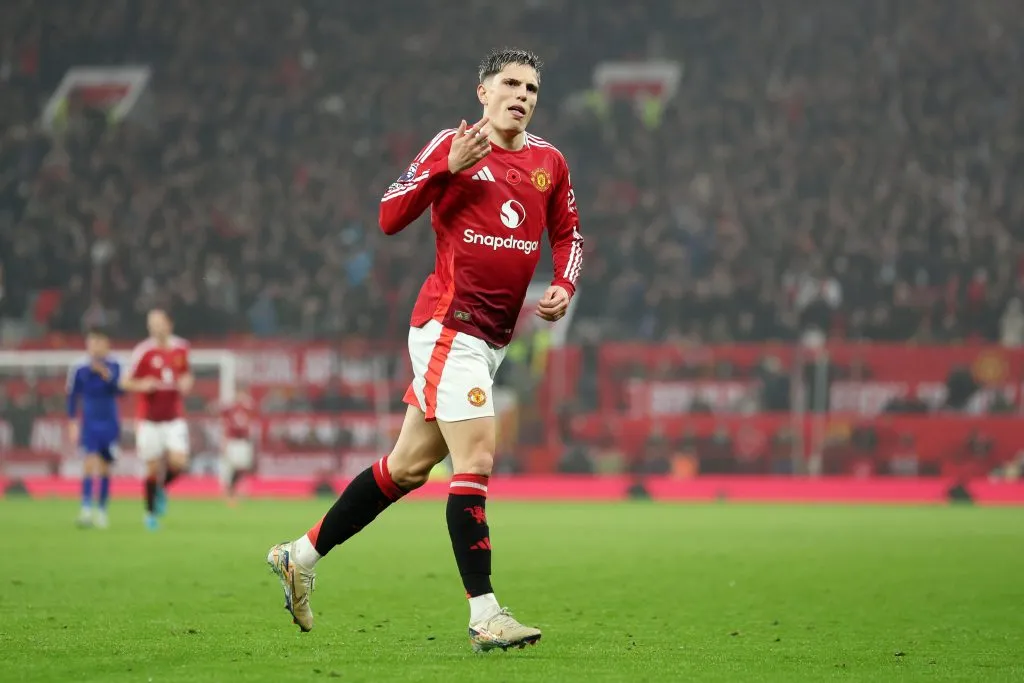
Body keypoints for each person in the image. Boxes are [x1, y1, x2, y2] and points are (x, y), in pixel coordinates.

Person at [267, 47, 583, 652]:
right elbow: (389, 217)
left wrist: (564, 283)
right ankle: (485, 614)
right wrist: (447, 169)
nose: (523, 95)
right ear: (482, 92)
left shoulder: (550, 161)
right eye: (510, 84)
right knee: (478, 461)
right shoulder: (452, 144)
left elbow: (569, 232)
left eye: (533, 87)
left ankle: (299, 555)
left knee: (408, 467)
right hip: (448, 326)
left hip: (492, 339)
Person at [124, 309, 194, 530]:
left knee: (179, 462)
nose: (154, 327)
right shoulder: (143, 351)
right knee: (152, 467)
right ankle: (150, 514)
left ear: (169, 324)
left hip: (173, 417)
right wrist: (142, 385)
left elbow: (186, 373)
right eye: (151, 323)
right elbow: (126, 382)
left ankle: (161, 490)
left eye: (158, 322)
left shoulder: (181, 347)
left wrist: (186, 381)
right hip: (149, 418)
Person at [66, 327, 127, 528]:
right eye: (90, 343)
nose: (93, 347)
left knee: (104, 467)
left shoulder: (116, 364)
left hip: (109, 421)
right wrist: (72, 421)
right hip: (89, 422)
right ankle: (85, 510)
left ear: (106, 344)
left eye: (97, 343)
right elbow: (72, 396)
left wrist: (105, 374)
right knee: (88, 463)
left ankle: (102, 511)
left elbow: (120, 391)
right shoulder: (79, 367)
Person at [217, 387, 257, 505]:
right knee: (232, 466)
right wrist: (224, 441)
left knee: (243, 466)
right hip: (233, 441)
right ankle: (230, 491)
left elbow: (252, 422)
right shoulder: (230, 409)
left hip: (244, 441)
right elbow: (224, 425)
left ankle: (232, 489)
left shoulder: (248, 408)